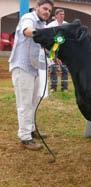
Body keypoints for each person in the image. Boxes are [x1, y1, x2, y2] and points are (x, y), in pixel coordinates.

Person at [8, 0, 54, 151]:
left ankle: (31, 130)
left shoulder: (43, 25)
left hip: (34, 68)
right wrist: (41, 34)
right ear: (37, 8)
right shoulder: (29, 18)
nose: (47, 12)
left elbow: (44, 46)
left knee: (33, 102)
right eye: (45, 8)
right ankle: (25, 138)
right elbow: (27, 31)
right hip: (22, 67)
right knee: (24, 104)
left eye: (49, 10)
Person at [47, 9, 69, 92]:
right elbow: (48, 38)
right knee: (53, 68)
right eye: (60, 14)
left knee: (64, 69)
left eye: (63, 14)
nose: (62, 16)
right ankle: (53, 87)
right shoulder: (50, 25)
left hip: (64, 51)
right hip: (53, 50)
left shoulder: (67, 25)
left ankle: (64, 88)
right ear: (56, 16)